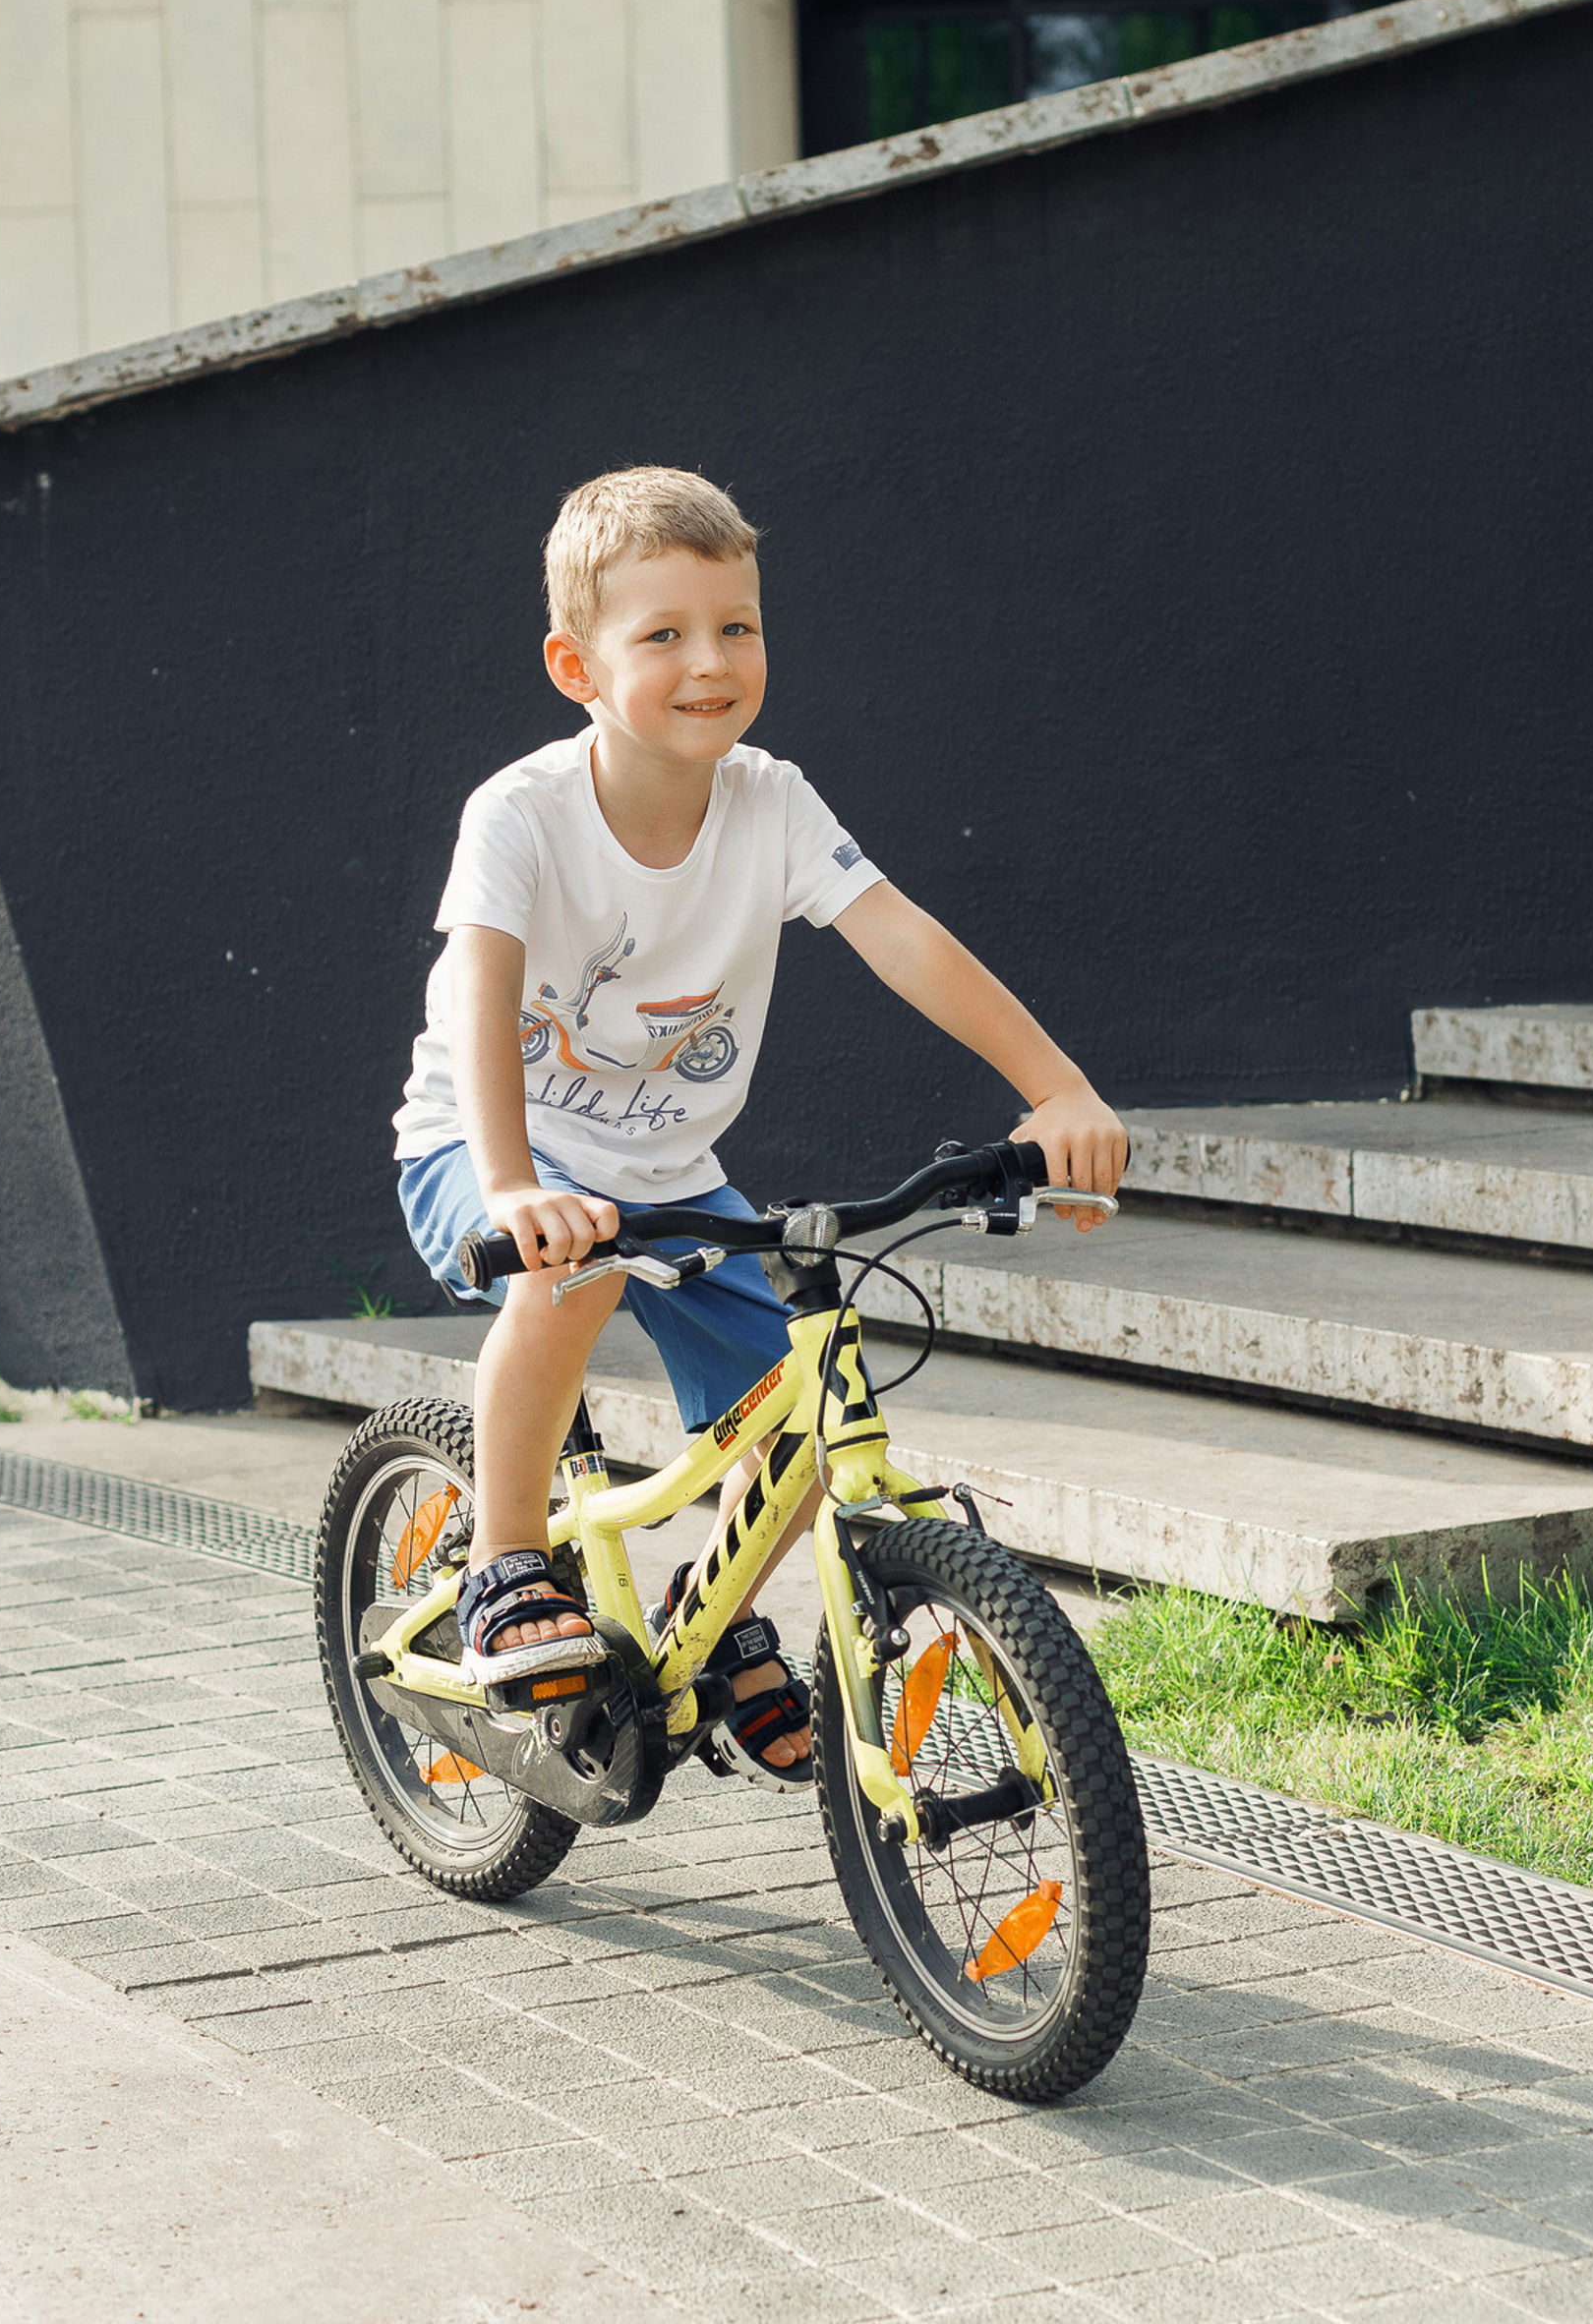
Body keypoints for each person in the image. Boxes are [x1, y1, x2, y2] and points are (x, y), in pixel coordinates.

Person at [393, 467, 1125, 1784]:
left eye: (736, 627)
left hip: (671, 1170)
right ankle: (507, 1563)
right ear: (577, 665)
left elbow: (902, 937)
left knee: (794, 1388)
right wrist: (512, 1188)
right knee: (572, 1273)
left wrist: (1056, 1087)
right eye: (662, 634)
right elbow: (478, 990)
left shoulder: (770, 801)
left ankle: (708, 1624)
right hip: (483, 1146)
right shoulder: (524, 815)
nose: (710, 661)